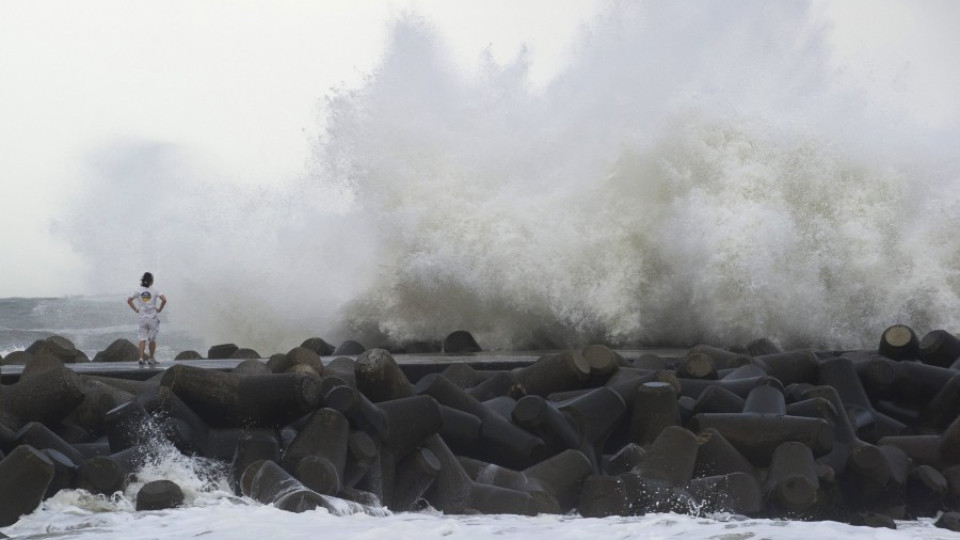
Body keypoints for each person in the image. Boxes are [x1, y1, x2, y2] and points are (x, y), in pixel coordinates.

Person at [126, 272, 167, 366]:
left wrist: (136, 309)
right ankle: (151, 358)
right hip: (153, 318)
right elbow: (164, 300)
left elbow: (129, 300)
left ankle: (141, 358)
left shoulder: (138, 290)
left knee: (142, 339)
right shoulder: (155, 290)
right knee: (152, 340)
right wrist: (159, 309)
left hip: (142, 318)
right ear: (151, 280)